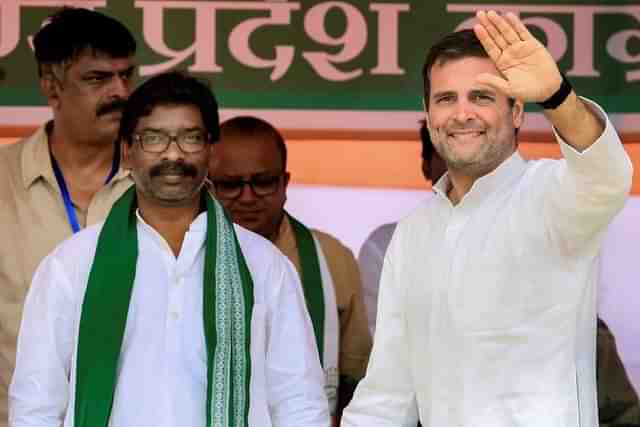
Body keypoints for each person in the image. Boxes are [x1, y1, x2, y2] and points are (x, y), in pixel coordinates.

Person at [342, 10, 632, 427]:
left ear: (516, 112)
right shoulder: (413, 234)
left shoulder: (552, 195)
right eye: (446, 99)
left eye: (481, 97)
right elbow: (388, 392)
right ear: (428, 114)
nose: (462, 114)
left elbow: (607, 174)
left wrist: (556, 96)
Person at [9, 72, 330, 427]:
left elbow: (298, 401)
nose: (173, 154)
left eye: (190, 138)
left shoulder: (264, 265)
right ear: (128, 151)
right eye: (154, 139)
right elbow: (36, 405)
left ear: (211, 149)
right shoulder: (71, 265)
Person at [0, 8, 136, 425]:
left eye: (127, 75)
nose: (121, 92)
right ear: (50, 86)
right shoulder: (3, 181)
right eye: (98, 79)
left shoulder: (165, 184)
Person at [209, 116, 372, 421]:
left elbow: (356, 375)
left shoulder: (332, 258)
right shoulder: (183, 257)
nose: (248, 197)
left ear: (285, 182)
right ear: (208, 184)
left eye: (263, 182)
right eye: (231, 185)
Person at [358, 121, 446, 336]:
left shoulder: (518, 240)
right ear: (426, 166)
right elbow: (376, 340)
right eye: (448, 152)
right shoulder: (384, 246)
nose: (464, 164)